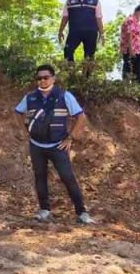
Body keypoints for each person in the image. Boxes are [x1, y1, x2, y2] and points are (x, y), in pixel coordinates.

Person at [14, 64, 95, 225]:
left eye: (46, 77)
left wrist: (70, 138)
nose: (42, 81)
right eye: (39, 78)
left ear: (53, 78)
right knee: (40, 177)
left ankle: (82, 213)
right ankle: (44, 210)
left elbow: (81, 117)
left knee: (67, 177)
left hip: (58, 146)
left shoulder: (64, 96)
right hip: (36, 145)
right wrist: (24, 132)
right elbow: (17, 112)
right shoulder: (30, 97)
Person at [59, 0, 104, 65]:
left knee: (89, 56)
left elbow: (98, 18)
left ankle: (87, 73)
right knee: (67, 51)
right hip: (74, 32)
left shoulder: (95, 0)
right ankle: (71, 71)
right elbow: (65, 17)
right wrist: (60, 31)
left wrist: (102, 34)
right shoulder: (70, 0)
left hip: (90, 32)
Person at [120, 4, 140, 84]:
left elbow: (137, 35)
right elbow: (129, 36)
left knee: (137, 71)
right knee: (128, 69)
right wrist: (131, 50)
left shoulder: (136, 21)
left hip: (137, 49)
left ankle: (136, 88)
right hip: (130, 50)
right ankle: (126, 87)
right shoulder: (130, 20)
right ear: (138, 12)